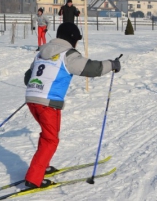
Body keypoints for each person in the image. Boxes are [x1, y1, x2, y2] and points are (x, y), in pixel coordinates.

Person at [23, 22, 121, 188]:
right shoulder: (67, 54)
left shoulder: (41, 53)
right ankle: (34, 178)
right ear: (72, 39)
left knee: (48, 135)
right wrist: (111, 64)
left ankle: (41, 165)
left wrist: (37, 88)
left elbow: (28, 77)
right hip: (48, 102)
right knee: (51, 139)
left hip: (33, 99)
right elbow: (91, 68)